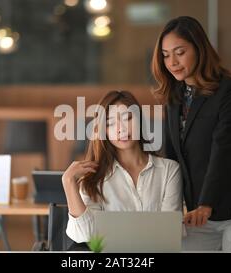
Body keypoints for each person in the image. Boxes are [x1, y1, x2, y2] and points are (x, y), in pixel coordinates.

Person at [151, 16, 231, 251]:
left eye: (180, 52)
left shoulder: (229, 90)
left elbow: (224, 150)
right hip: (197, 214)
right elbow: (172, 158)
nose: (172, 62)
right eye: (165, 55)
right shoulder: (174, 96)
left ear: (199, 48)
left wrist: (206, 203)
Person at [63, 90, 182, 243]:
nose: (121, 129)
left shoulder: (169, 171)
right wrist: (68, 182)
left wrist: (112, 230)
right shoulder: (94, 179)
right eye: (110, 123)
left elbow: (169, 232)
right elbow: (86, 236)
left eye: (127, 118)